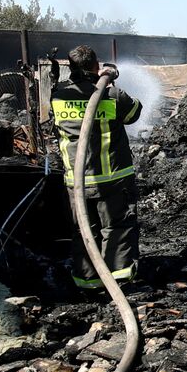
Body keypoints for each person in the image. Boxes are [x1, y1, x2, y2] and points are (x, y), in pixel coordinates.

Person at [50, 45, 143, 290]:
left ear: (71, 68)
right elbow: (134, 112)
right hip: (112, 179)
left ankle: (88, 281)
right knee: (117, 227)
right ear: (95, 65)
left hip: (77, 181)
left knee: (84, 230)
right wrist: (109, 79)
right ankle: (119, 281)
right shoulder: (112, 95)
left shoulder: (59, 97)